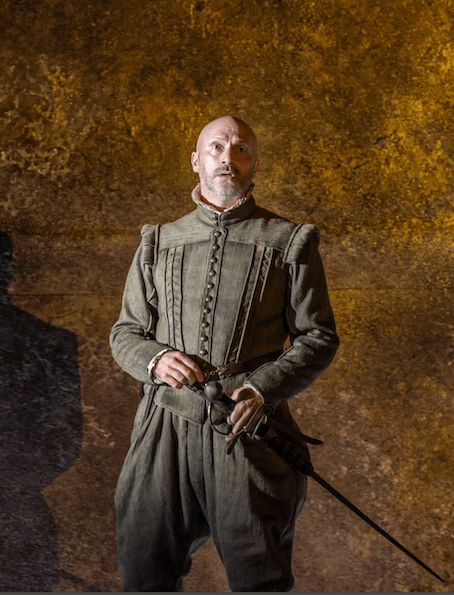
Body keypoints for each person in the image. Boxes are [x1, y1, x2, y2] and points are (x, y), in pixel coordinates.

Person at [110, 116, 339, 592]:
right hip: (163, 428)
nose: (227, 158)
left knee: (259, 579)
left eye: (240, 149)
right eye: (216, 147)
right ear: (196, 161)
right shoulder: (158, 241)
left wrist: (262, 389)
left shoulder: (289, 240)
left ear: (253, 163)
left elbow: (318, 336)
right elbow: (126, 333)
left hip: (246, 428)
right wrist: (156, 359)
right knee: (144, 573)